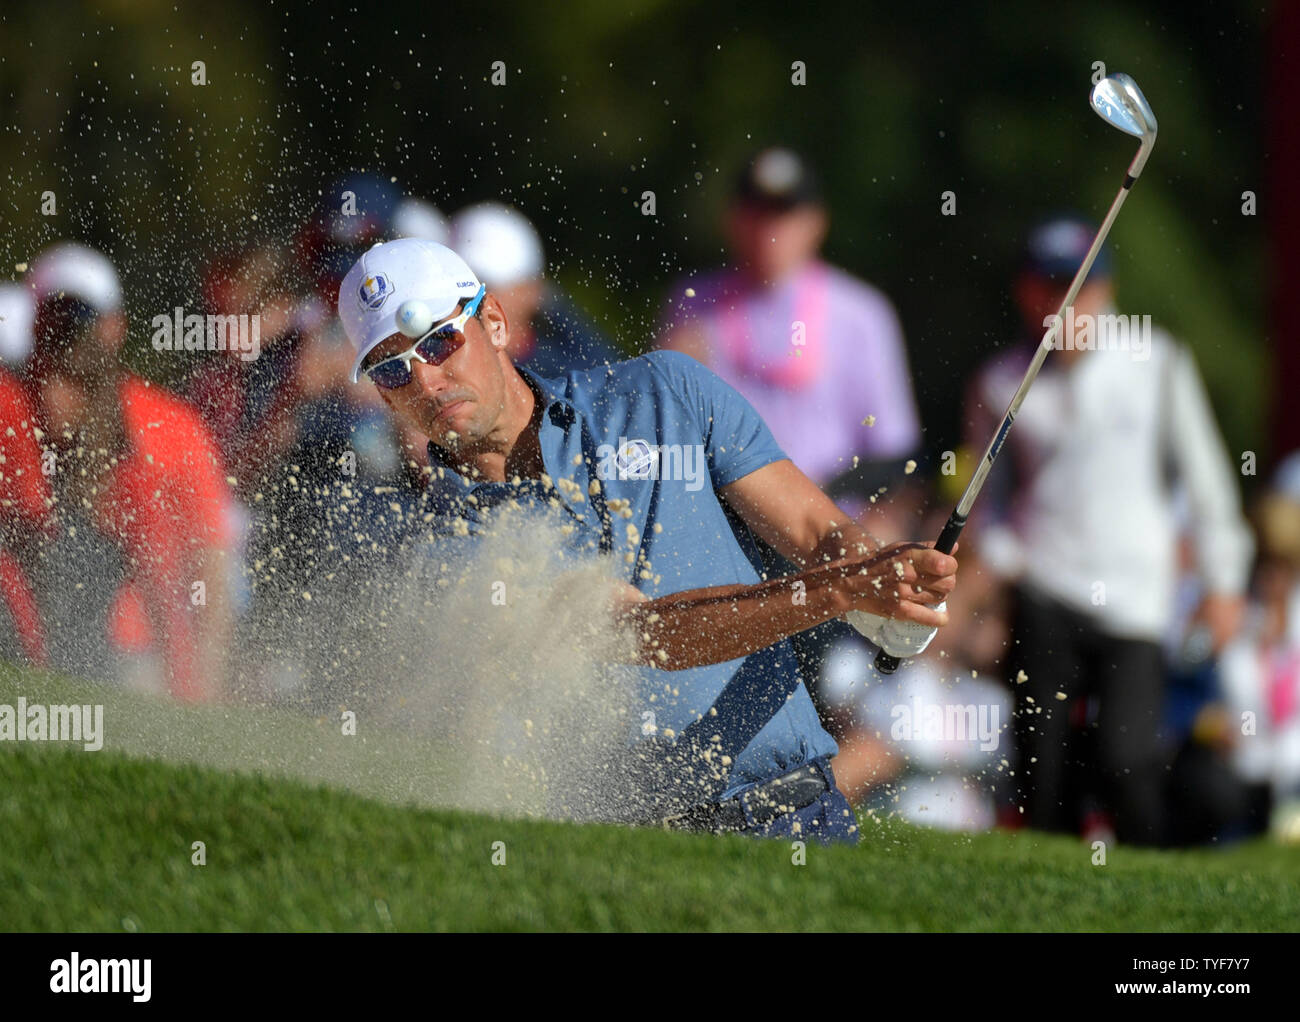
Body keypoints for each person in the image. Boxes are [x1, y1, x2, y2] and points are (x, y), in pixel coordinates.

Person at [337, 237, 959, 844]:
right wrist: (839, 590)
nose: (426, 380)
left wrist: (888, 585)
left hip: (801, 811)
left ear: (494, 321)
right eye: (393, 368)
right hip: (638, 853)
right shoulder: (454, 548)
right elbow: (650, 634)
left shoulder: (664, 392)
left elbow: (818, 534)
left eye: (440, 341)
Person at [967, 215, 1254, 844]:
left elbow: (1207, 483)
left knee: (1125, 759)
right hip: (1043, 584)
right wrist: (990, 576)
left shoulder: (1158, 363)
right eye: (1050, 285)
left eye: (1080, 286)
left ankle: (1144, 882)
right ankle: (1052, 889)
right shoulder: (999, 384)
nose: (1066, 303)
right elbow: (991, 505)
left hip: (1133, 597)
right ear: (1025, 292)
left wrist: (1224, 581)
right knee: (1041, 766)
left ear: (1106, 291)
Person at [7, 243, 236, 702]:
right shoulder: (12, 412)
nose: (53, 393)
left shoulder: (164, 430)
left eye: (79, 320)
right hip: (31, 653)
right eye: (52, 325)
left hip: (133, 658)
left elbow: (200, 567)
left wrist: (197, 693)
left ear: (115, 327)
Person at [450, 202, 620, 377]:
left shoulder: (575, 372)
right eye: (457, 292)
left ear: (531, 290)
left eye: (486, 286)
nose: (468, 302)